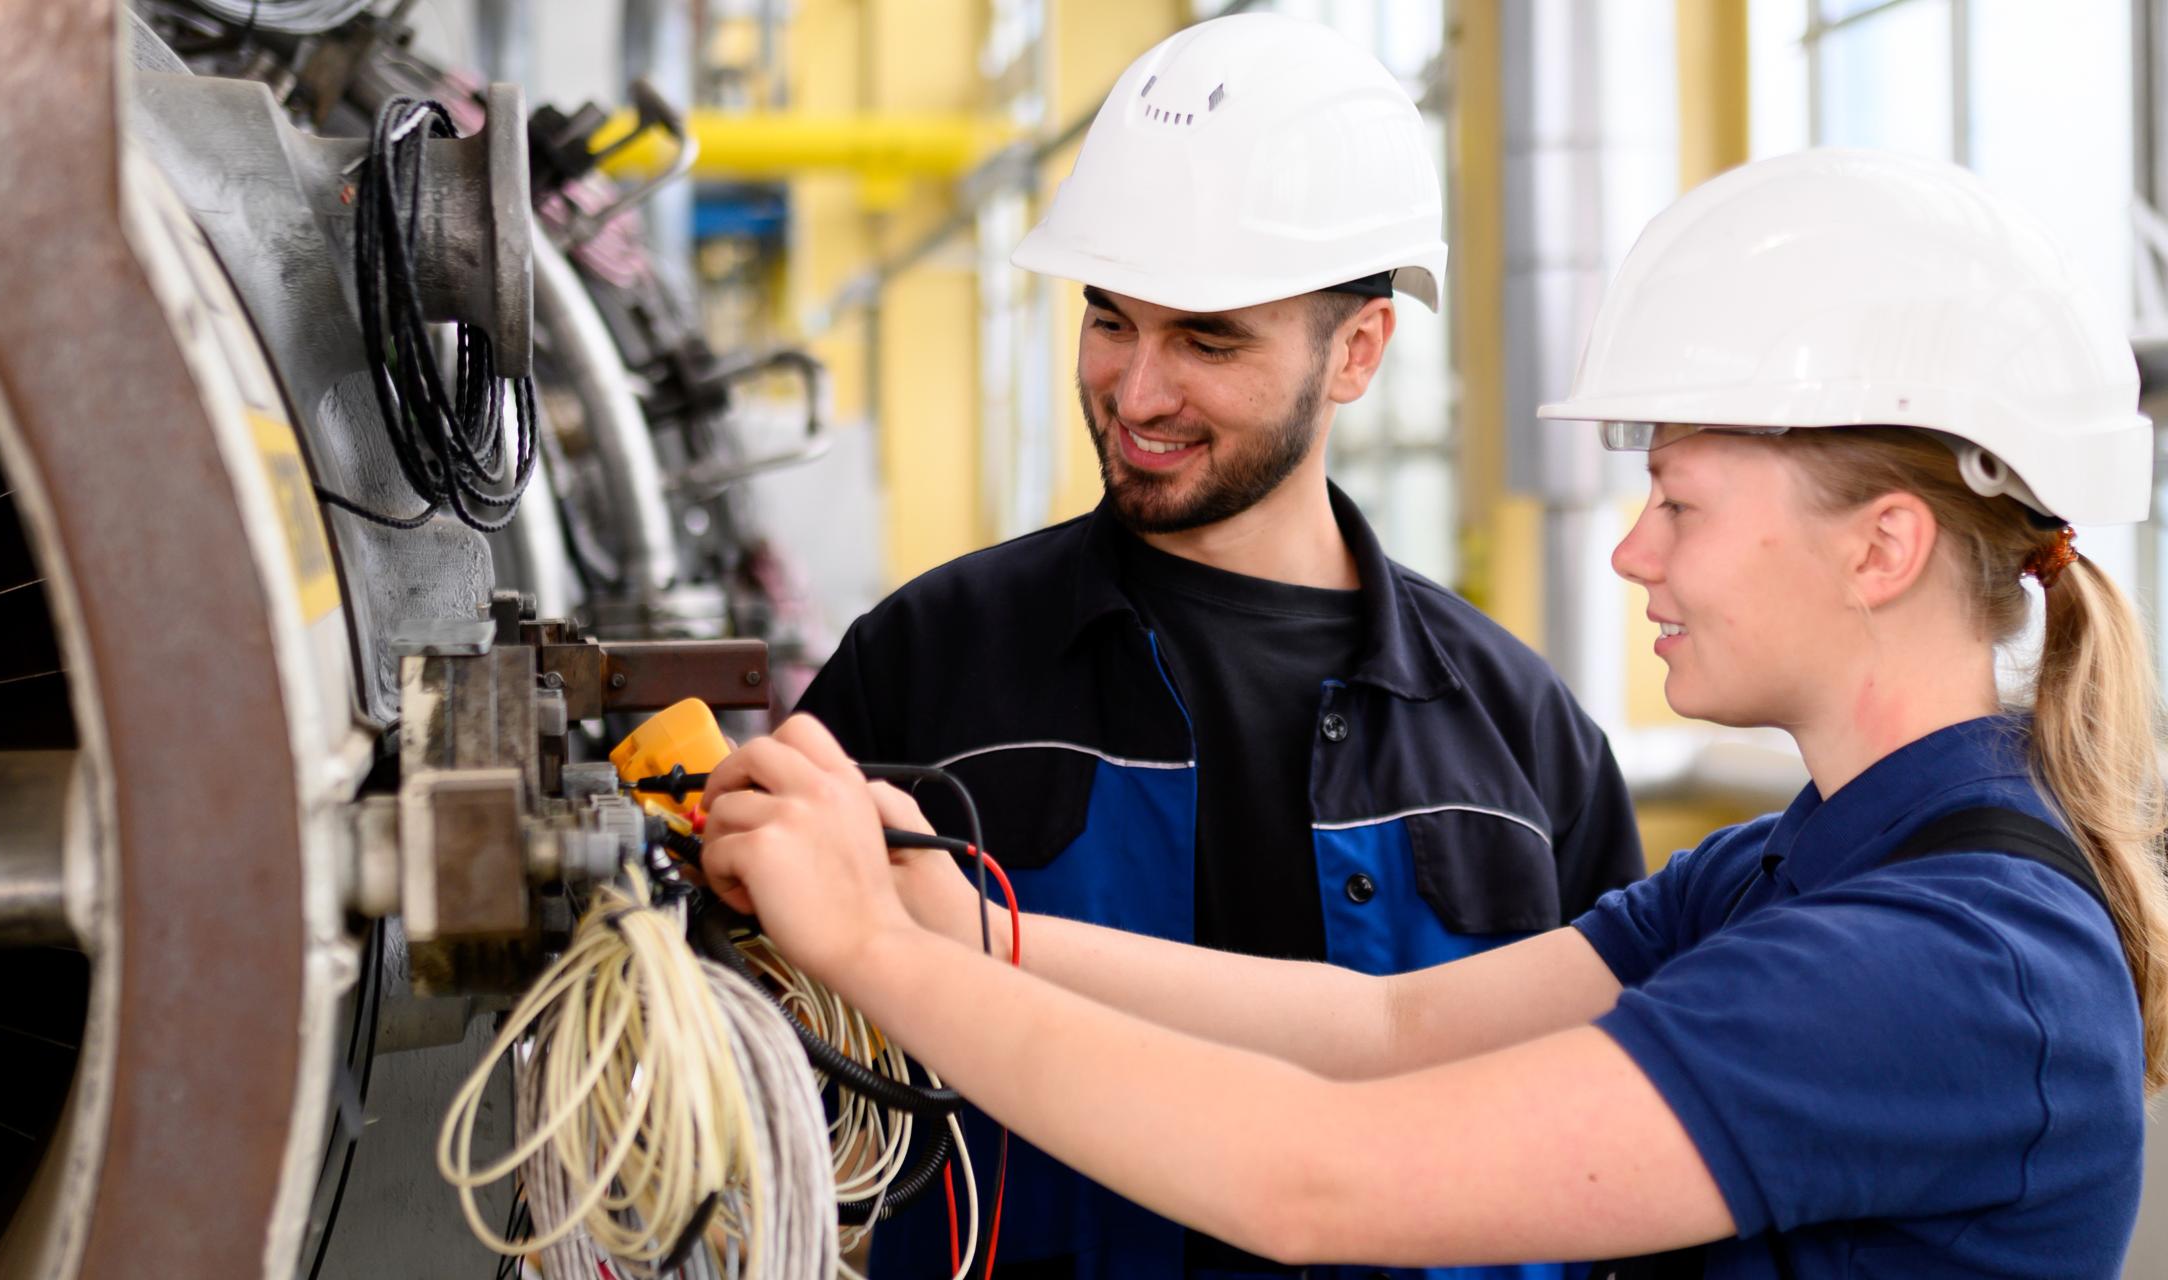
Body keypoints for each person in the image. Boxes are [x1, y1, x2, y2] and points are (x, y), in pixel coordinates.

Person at [705, 147, 2165, 1279]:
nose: (1631, 550)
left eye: (1680, 503)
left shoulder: (1943, 969)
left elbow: (1313, 1175)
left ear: (1883, 548)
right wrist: (959, 927)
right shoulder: (1802, 865)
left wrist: (862, 951)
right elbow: (1392, 1027)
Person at [795, 15, 1644, 1275]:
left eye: (1206, 339)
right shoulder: (927, 663)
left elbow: (1609, 1147)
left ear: (1355, 350)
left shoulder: (1518, 733)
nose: (1136, 393)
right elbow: (783, 1074)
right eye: (1109, 321)